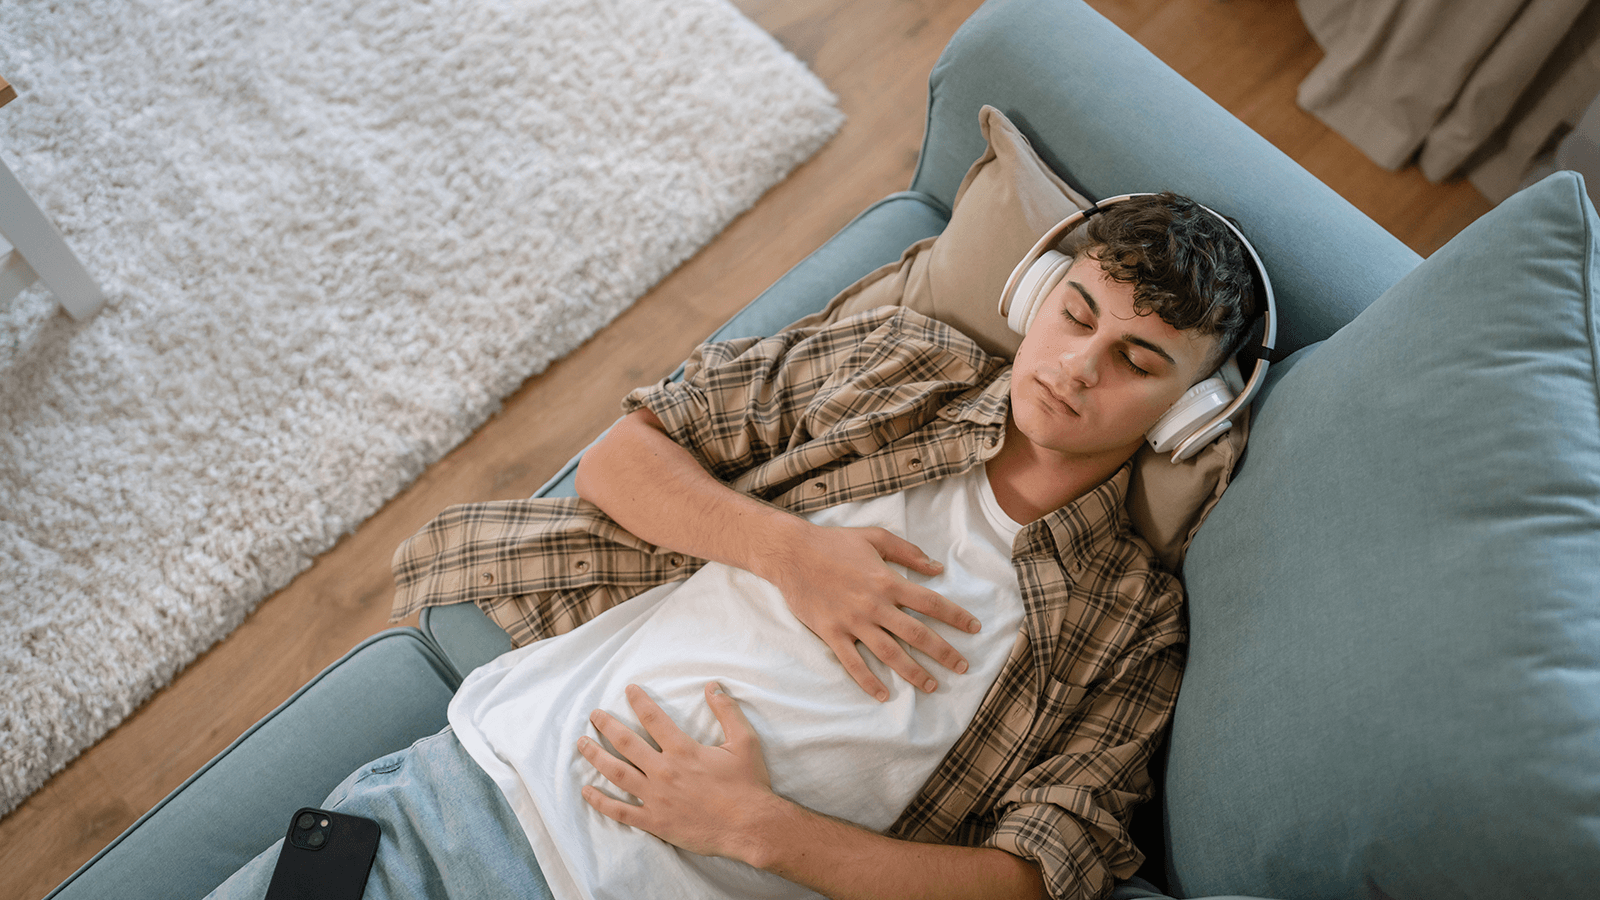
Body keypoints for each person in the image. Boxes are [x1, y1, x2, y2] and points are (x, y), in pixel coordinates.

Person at [206, 191, 1259, 900]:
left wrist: (756, 828)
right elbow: (623, 457)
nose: (1076, 367)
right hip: (456, 809)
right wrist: (789, 554)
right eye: (1073, 313)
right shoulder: (902, 366)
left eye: (1134, 359)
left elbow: (1034, 874)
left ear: (1189, 413)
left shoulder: (1131, 619)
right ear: (1033, 297)